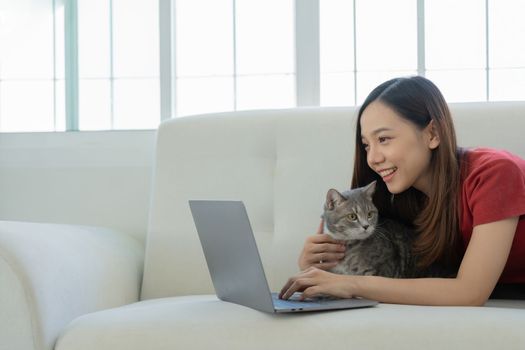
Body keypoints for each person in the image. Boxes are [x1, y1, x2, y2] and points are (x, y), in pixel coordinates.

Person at [279, 76, 525, 306]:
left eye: (384, 139)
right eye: (366, 145)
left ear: (432, 134)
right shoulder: (396, 194)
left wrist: (351, 284)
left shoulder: (495, 173)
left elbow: (470, 293)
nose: (372, 158)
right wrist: (315, 265)